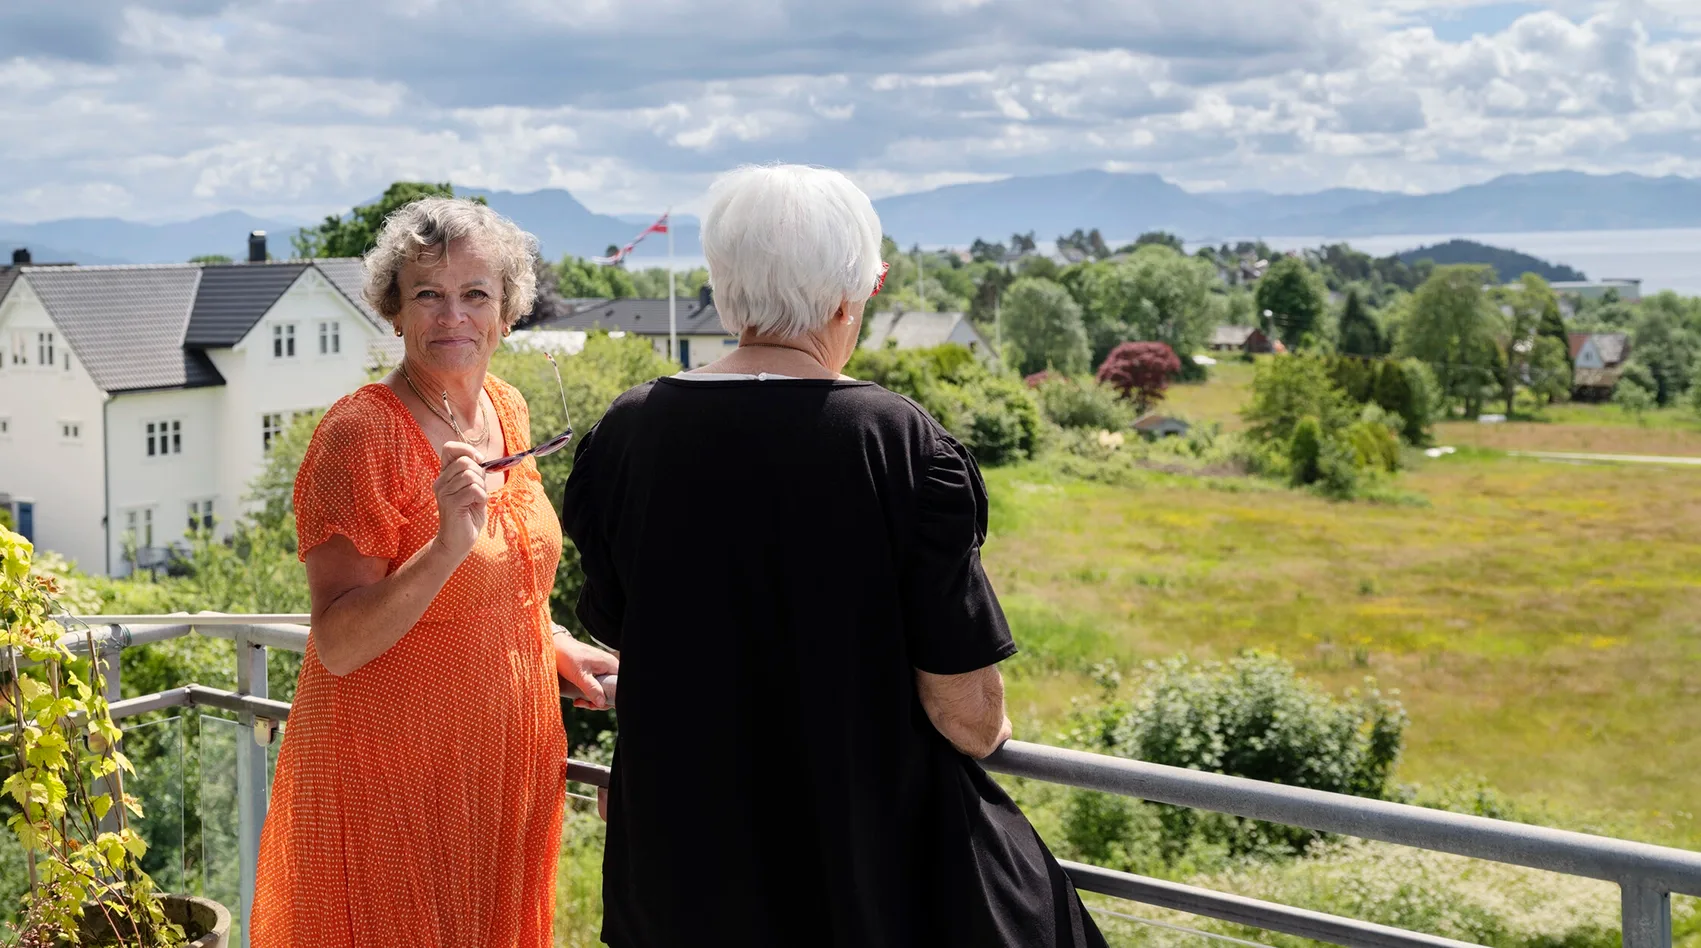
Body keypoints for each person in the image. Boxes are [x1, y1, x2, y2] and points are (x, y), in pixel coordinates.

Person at [562, 165, 1107, 948]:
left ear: (723, 291)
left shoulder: (625, 433)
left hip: (682, 872)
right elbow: (965, 715)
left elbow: (630, 627)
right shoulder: (900, 443)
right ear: (850, 297)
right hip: (857, 881)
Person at [252, 197, 618, 948]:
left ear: (507, 312)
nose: (453, 315)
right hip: (392, 772)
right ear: (395, 311)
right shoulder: (361, 436)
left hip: (501, 764)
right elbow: (340, 643)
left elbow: (502, 583)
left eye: (475, 294)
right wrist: (446, 543)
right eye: (429, 294)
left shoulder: (508, 410)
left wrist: (556, 645)